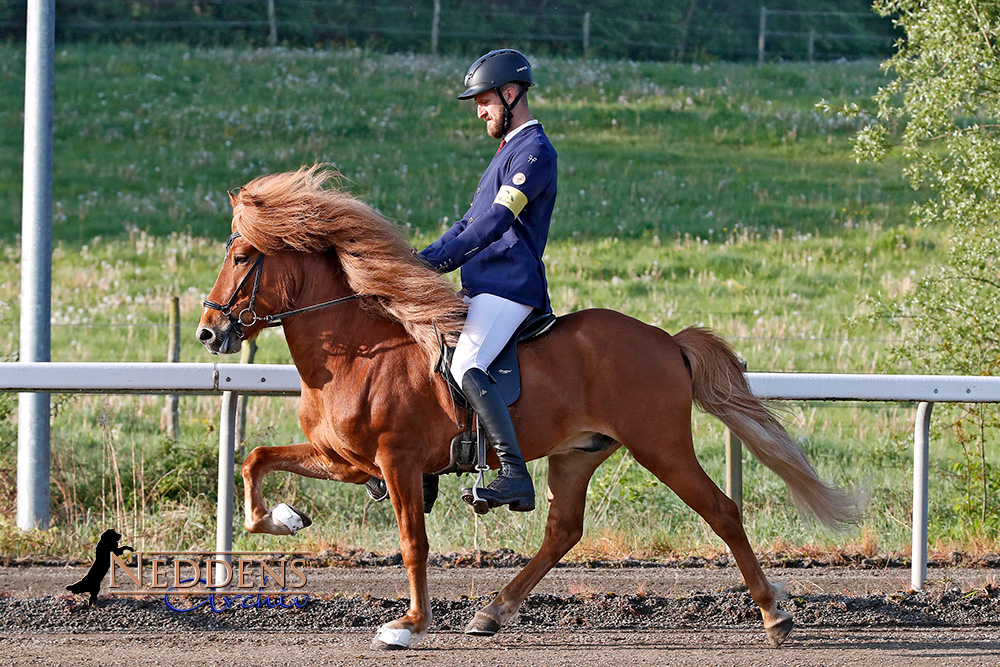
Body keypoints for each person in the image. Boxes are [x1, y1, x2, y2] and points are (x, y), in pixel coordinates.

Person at [419, 49, 558, 513]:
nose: (479, 112)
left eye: (484, 102)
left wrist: (437, 265)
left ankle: (515, 474)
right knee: (431, 357)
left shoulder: (535, 152)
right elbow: (466, 223)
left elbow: (495, 223)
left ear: (511, 93)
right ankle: (427, 466)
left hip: (510, 288)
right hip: (482, 286)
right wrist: (421, 261)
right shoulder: (505, 153)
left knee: (465, 365)